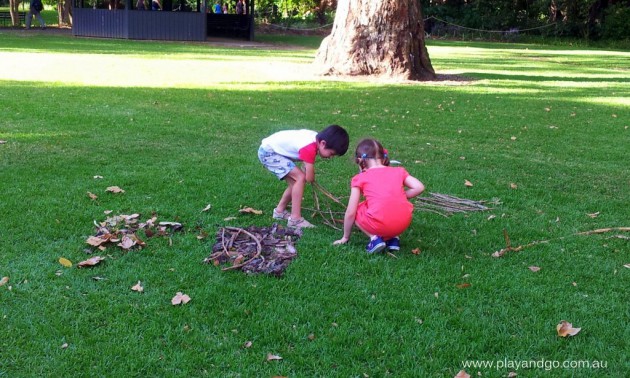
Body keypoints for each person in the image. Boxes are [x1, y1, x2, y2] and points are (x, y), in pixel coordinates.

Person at [333, 138, 425, 253]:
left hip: (380, 225)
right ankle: (393, 239)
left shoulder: (360, 178)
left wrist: (345, 237)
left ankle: (375, 239)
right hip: (403, 223)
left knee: (359, 209)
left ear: (360, 160)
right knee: (386, 209)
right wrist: (398, 196)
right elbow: (419, 187)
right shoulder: (399, 171)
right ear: (383, 157)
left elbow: (351, 212)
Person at [258, 125, 349, 229]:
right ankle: (295, 219)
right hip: (269, 153)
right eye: (331, 153)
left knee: (295, 183)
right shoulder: (309, 148)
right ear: (323, 143)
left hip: (271, 150)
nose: (331, 157)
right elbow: (309, 178)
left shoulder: (315, 140)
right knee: (300, 178)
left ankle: (279, 212)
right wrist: (310, 173)